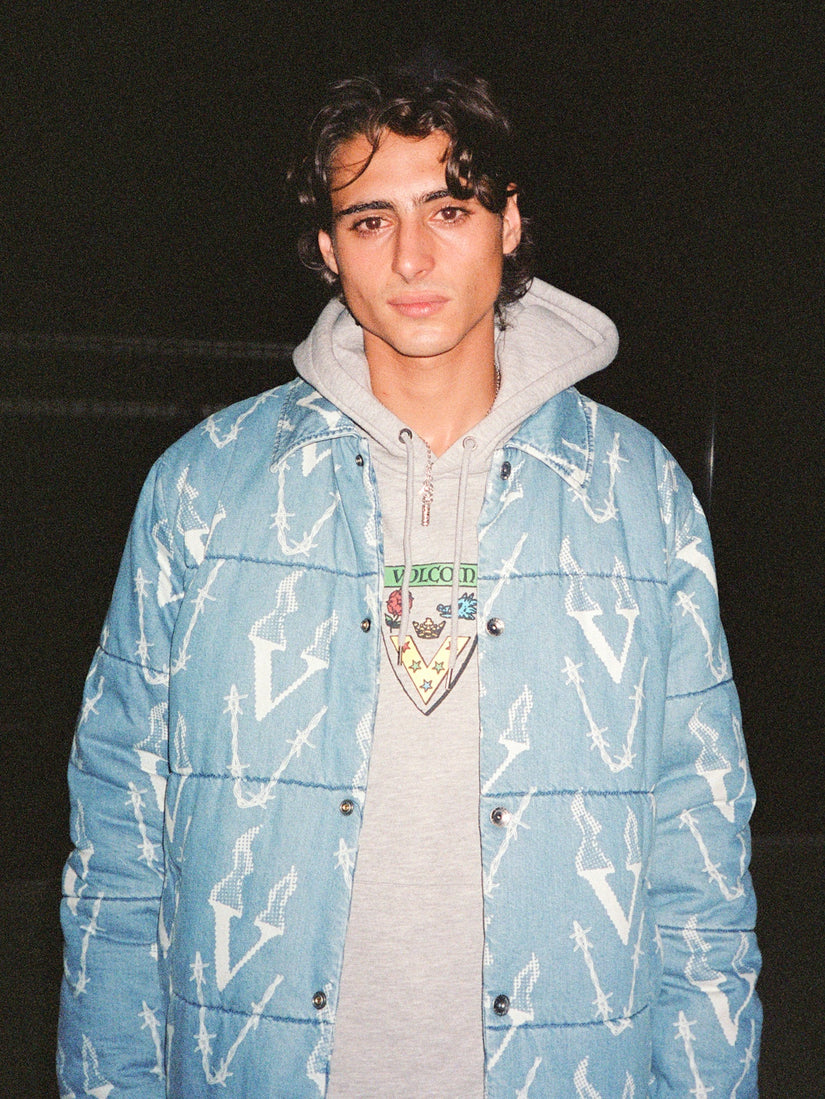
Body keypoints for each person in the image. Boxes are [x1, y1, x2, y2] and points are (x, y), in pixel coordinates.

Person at [58, 65, 761, 1097]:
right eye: (371, 219)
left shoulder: (637, 496)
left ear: (509, 223)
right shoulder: (203, 489)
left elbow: (700, 864)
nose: (413, 256)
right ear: (327, 246)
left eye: (450, 208)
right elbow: (118, 849)